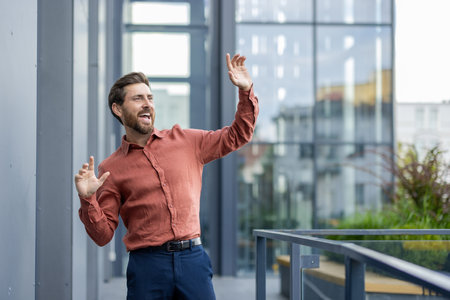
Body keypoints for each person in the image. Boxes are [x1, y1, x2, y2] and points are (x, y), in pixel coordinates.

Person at [74, 53, 258, 300]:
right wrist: (88, 200)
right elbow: (102, 235)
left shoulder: (186, 141)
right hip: (147, 267)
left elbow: (238, 135)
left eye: (150, 97)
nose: (147, 103)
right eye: (138, 98)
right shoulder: (111, 168)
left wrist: (245, 91)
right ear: (118, 109)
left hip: (193, 260)